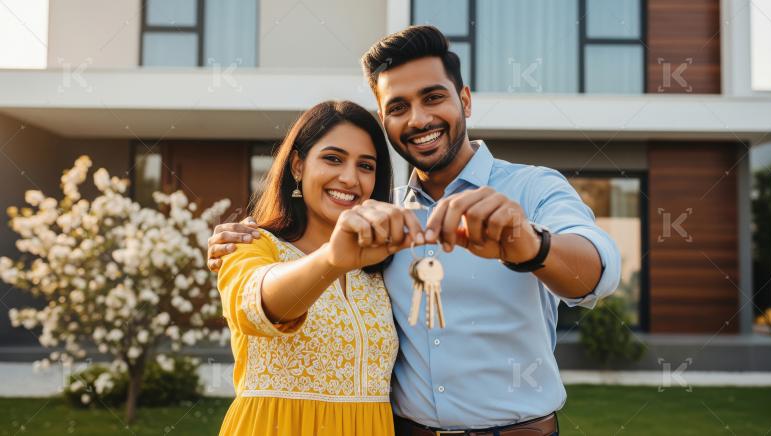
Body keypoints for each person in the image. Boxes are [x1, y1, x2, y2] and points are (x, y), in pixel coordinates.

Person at [209, 26, 621, 436]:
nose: (419, 118)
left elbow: (599, 274)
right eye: (398, 106)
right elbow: (269, 288)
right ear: (385, 120)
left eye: (433, 97)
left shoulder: (531, 188)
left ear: (465, 100)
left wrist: (529, 244)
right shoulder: (379, 223)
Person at [214, 100, 425, 436]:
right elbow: (257, 305)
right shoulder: (252, 243)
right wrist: (331, 259)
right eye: (333, 159)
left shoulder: (381, 263)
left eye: (366, 166)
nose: (349, 178)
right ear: (298, 165)